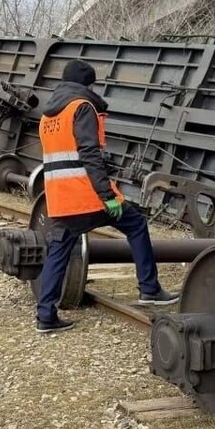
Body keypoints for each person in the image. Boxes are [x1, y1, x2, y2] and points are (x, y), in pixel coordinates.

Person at [34, 60, 180, 333]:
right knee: (136, 224)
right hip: (86, 194)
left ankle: (45, 316)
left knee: (58, 250)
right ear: (87, 85)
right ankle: (149, 288)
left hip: (59, 197)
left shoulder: (48, 116)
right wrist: (107, 195)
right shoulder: (82, 107)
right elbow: (89, 154)